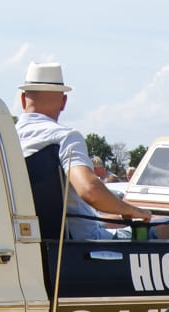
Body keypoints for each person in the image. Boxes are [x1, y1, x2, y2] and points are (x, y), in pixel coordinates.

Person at [15, 62, 160, 240]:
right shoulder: (65, 137)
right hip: (81, 242)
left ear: (23, 100)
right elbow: (90, 190)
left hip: (27, 241)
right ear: (63, 102)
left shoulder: (5, 140)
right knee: (163, 227)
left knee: (111, 218)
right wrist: (133, 210)